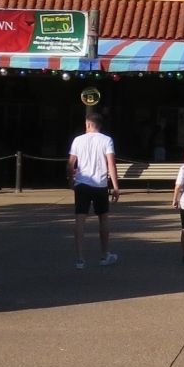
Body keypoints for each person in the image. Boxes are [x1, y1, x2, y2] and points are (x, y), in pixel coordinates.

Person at [68, 113, 120, 269]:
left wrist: (71, 180)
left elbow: (70, 164)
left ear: (88, 124)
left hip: (82, 183)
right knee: (103, 219)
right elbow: (111, 164)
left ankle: (80, 259)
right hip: (100, 184)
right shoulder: (107, 140)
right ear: (100, 125)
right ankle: (104, 255)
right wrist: (115, 186)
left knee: (80, 219)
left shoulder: (78, 140)